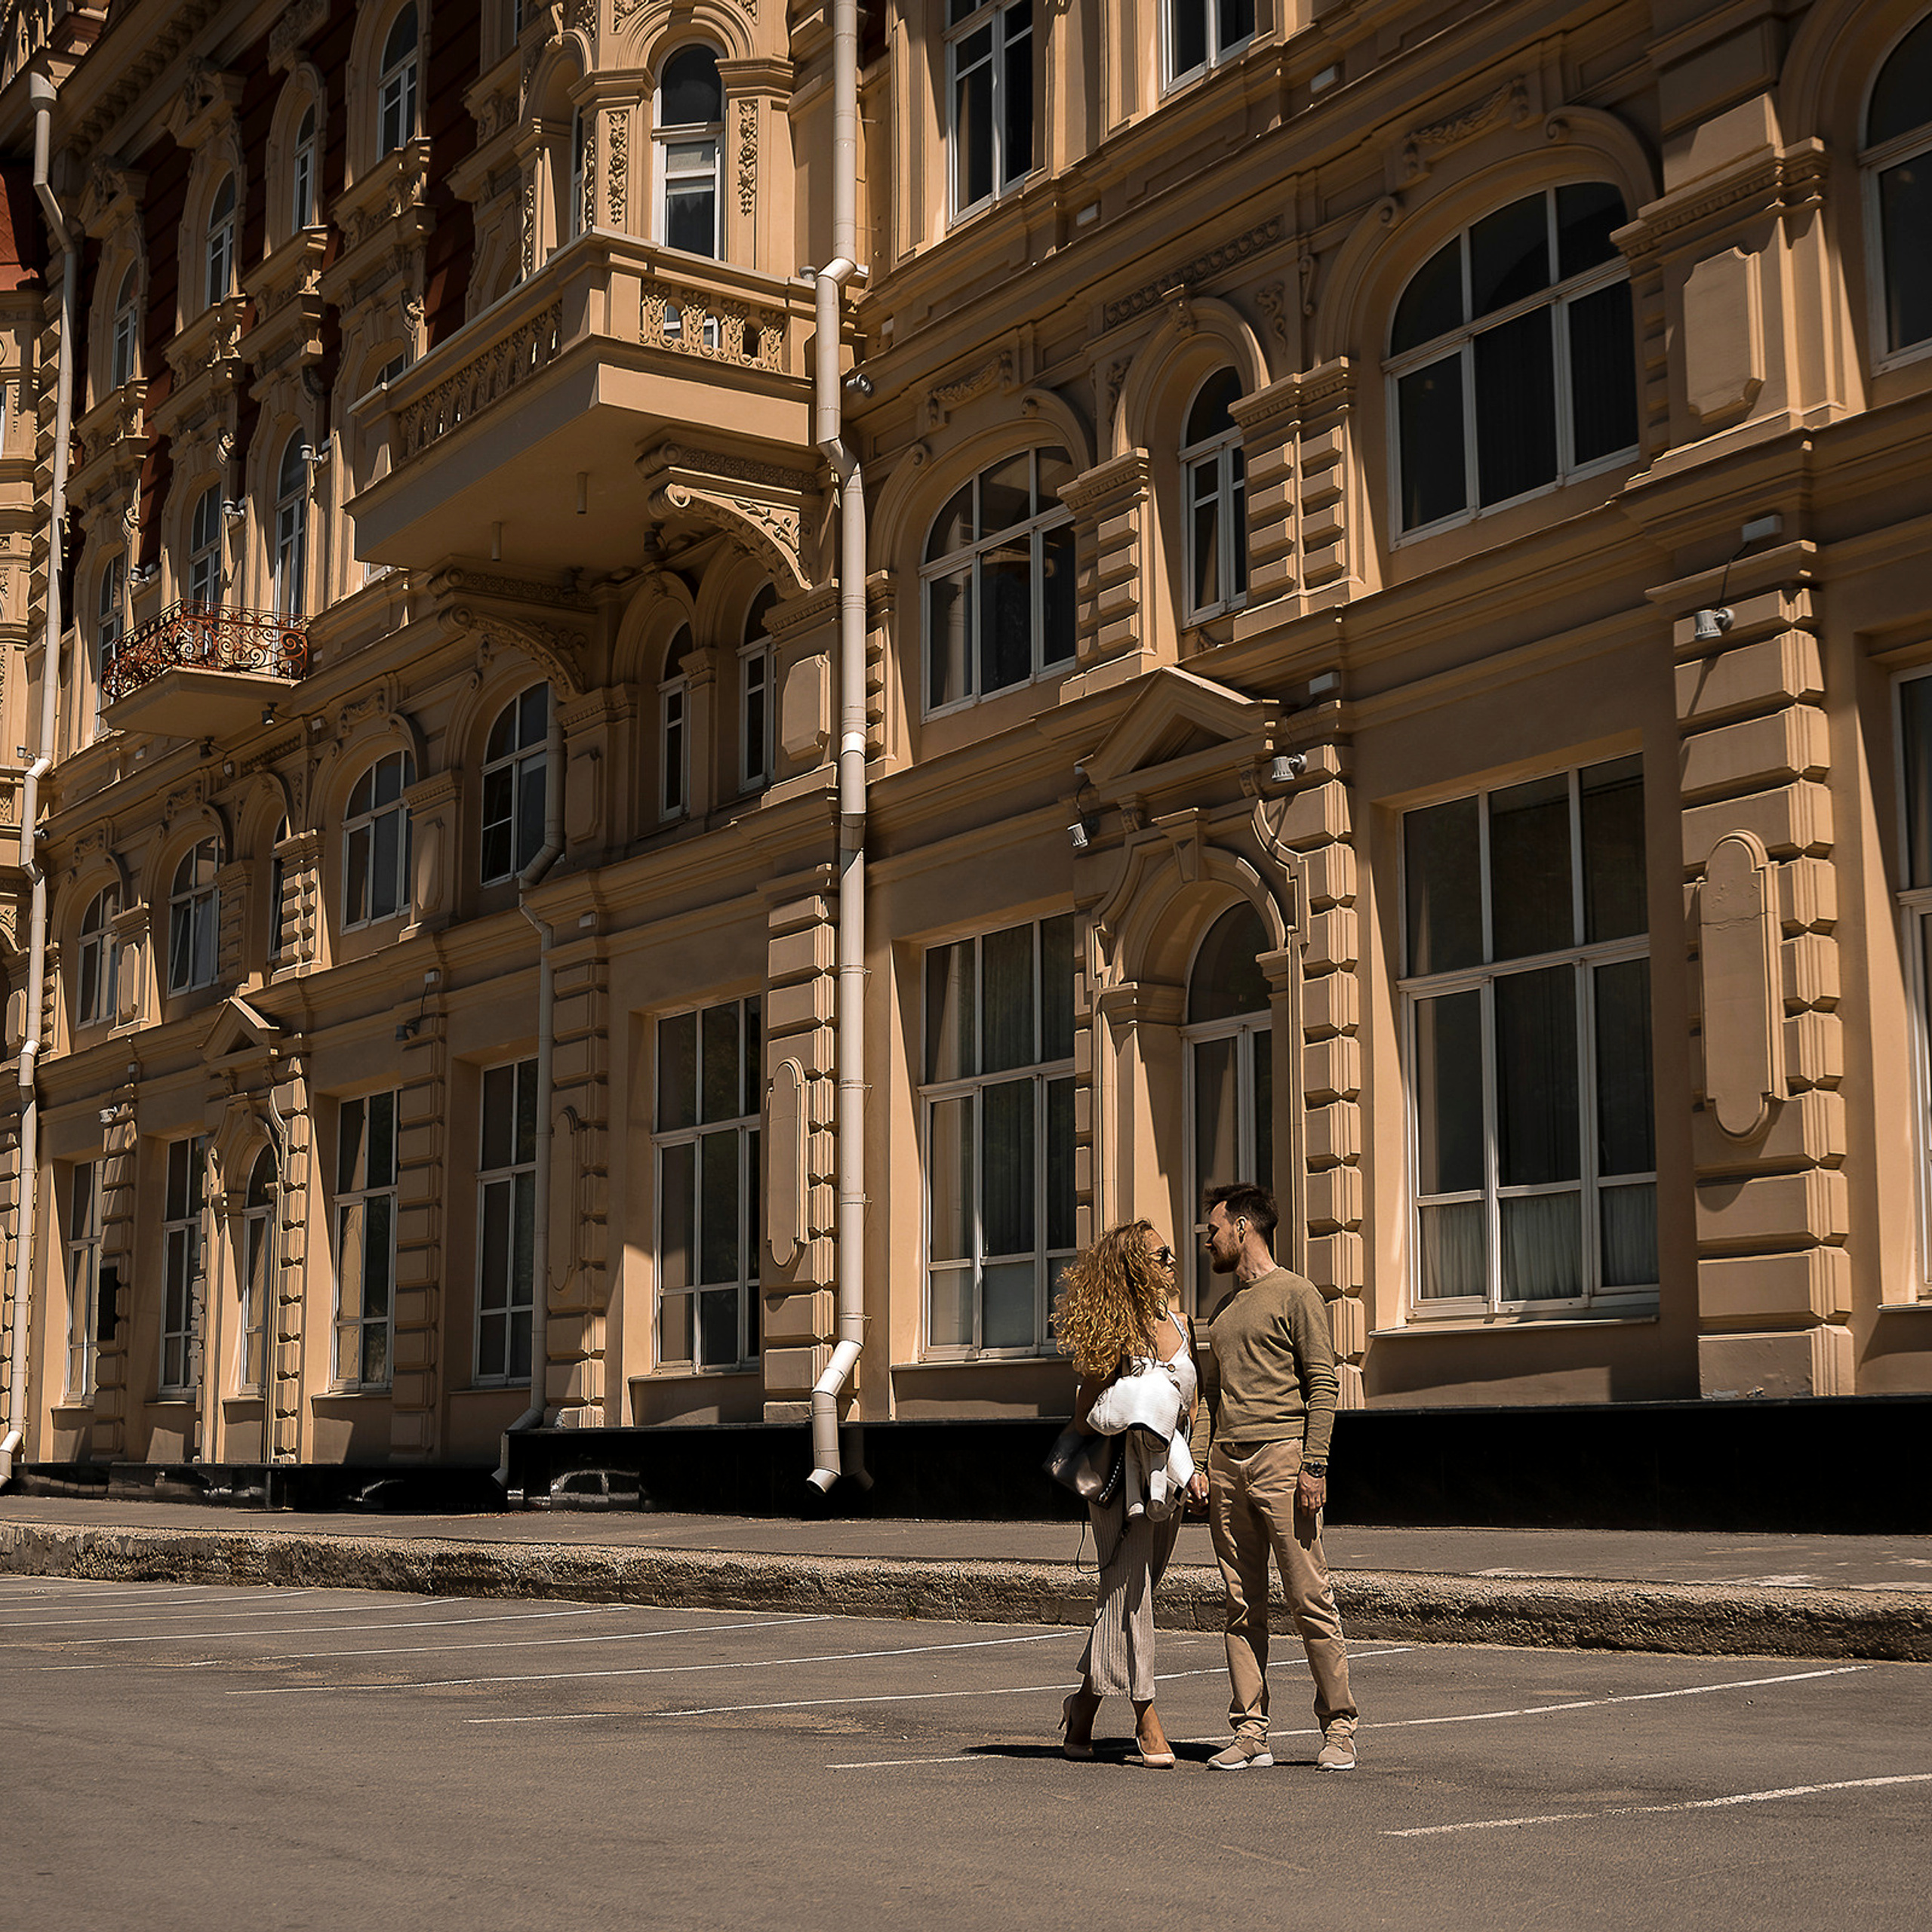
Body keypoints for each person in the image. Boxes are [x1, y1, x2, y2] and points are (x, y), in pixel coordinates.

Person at [1192, 1182, 1358, 1770]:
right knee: (1241, 1604)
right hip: (1227, 1467)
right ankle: (1250, 1731)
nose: (1206, 1239)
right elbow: (1211, 1396)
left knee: (1310, 1597)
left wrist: (1315, 1465)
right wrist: (1198, 1463)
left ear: (1243, 1228)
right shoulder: (1219, 1311)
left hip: (1284, 1459)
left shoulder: (1297, 1294)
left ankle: (1339, 1729)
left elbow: (1323, 1383)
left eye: (1212, 1229)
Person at [1052, 1220, 1199, 1768]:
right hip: (1120, 1486)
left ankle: (1083, 1707)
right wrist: (1134, 1408)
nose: (1171, 1262)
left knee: (1131, 1592)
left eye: (1169, 1253)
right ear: (1134, 1266)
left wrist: (1194, 1469)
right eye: (1161, 1255)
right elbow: (1082, 1419)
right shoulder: (1113, 1333)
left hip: (1173, 1478)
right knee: (1128, 1588)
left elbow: (1195, 1405)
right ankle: (1146, 1715)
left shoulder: (1182, 1325)